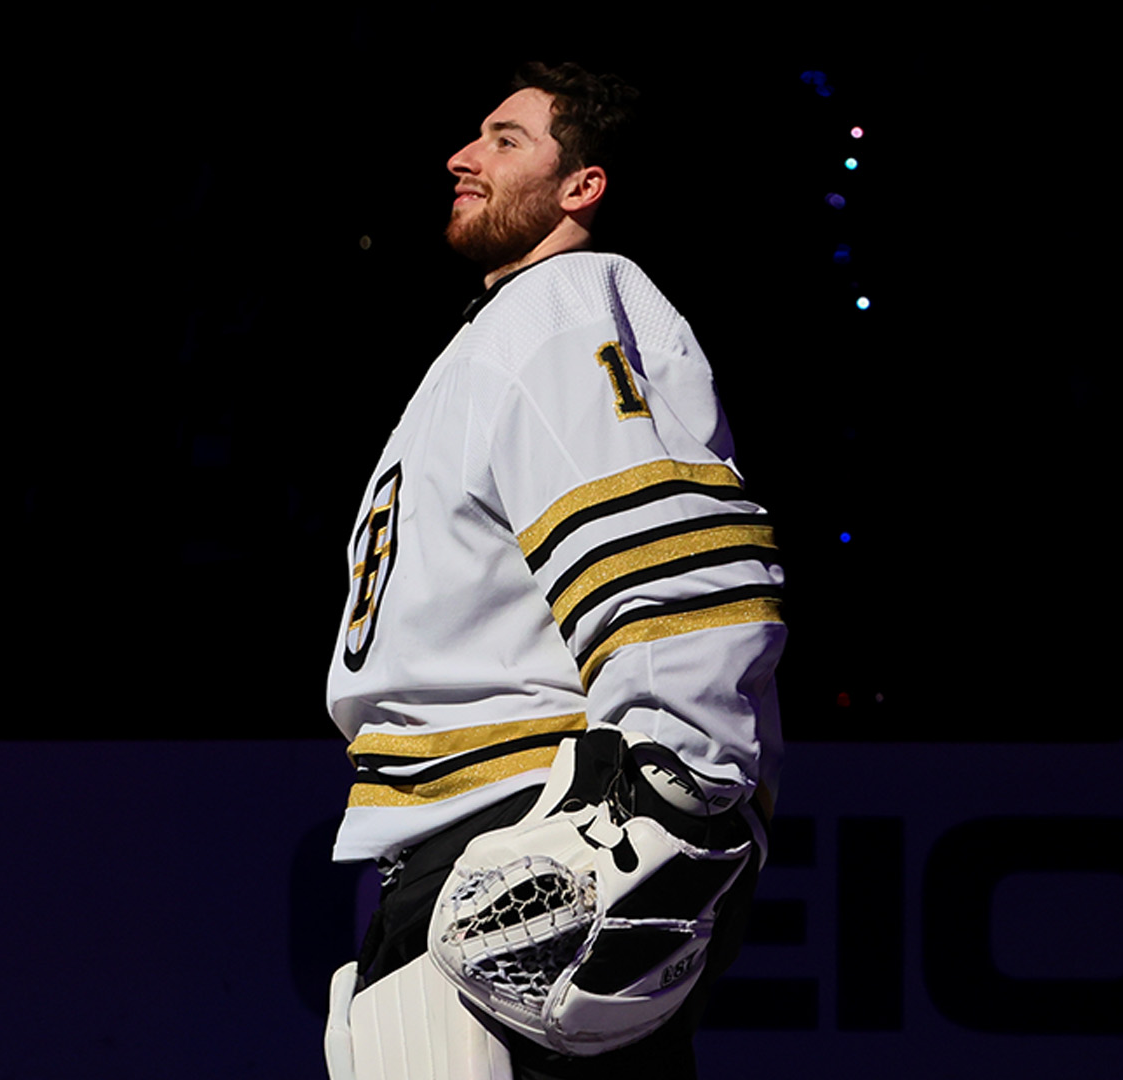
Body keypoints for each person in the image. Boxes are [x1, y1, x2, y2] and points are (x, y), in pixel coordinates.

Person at [323, 61, 785, 1080]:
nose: (462, 154)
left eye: (504, 137)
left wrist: (672, 811)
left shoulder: (569, 304)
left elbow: (678, 571)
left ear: (583, 186)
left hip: (535, 839)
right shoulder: (499, 333)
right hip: (467, 839)